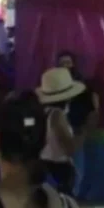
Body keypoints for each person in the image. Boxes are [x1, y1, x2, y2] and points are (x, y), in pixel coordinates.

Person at [55, 51, 100, 198]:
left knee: (77, 163)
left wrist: (87, 127)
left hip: (77, 127)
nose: (66, 66)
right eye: (62, 63)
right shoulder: (54, 84)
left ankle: (73, 194)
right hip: (58, 128)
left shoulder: (82, 85)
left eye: (68, 62)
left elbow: (92, 106)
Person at [35, 66, 86, 196]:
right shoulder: (57, 115)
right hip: (58, 169)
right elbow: (69, 148)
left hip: (44, 166)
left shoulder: (44, 113)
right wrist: (84, 133)